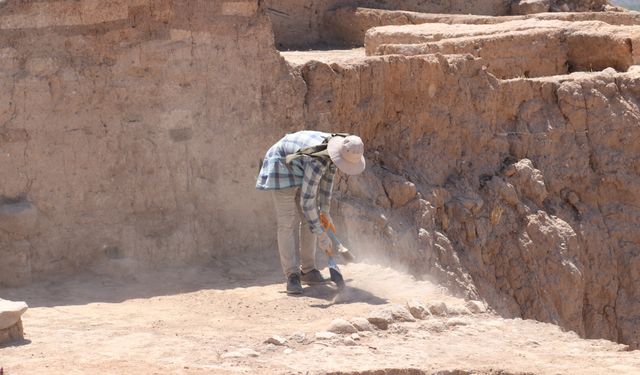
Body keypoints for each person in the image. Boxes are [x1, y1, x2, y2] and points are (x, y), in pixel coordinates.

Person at [256, 131, 366, 294]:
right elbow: (307, 203)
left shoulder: (337, 151)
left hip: (300, 165)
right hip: (281, 164)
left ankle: (308, 271)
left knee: (310, 221)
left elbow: (327, 181)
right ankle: (292, 276)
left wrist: (325, 212)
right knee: (286, 222)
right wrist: (322, 236)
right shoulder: (318, 160)